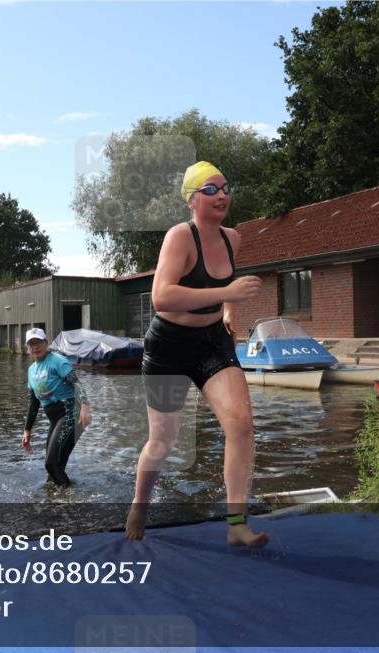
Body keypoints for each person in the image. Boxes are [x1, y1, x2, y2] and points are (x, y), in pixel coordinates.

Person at [125, 161, 268, 547]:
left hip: (211, 343)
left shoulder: (232, 239)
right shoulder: (179, 237)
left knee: (240, 424)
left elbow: (229, 285)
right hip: (168, 346)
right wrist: (227, 296)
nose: (222, 195)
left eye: (225, 187)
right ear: (192, 199)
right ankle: (140, 503)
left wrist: (228, 313)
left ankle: (237, 523)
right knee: (163, 442)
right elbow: (162, 296)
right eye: (210, 189)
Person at [21, 328, 92, 486]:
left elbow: (76, 383)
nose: (35, 347)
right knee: (52, 470)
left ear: (46, 343)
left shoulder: (57, 361)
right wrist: (27, 430)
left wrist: (85, 406)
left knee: (51, 464)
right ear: (28, 347)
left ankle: (68, 501)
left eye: (39, 342)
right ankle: (60, 501)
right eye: (31, 344)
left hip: (71, 414)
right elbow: (34, 403)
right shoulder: (32, 371)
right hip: (56, 419)